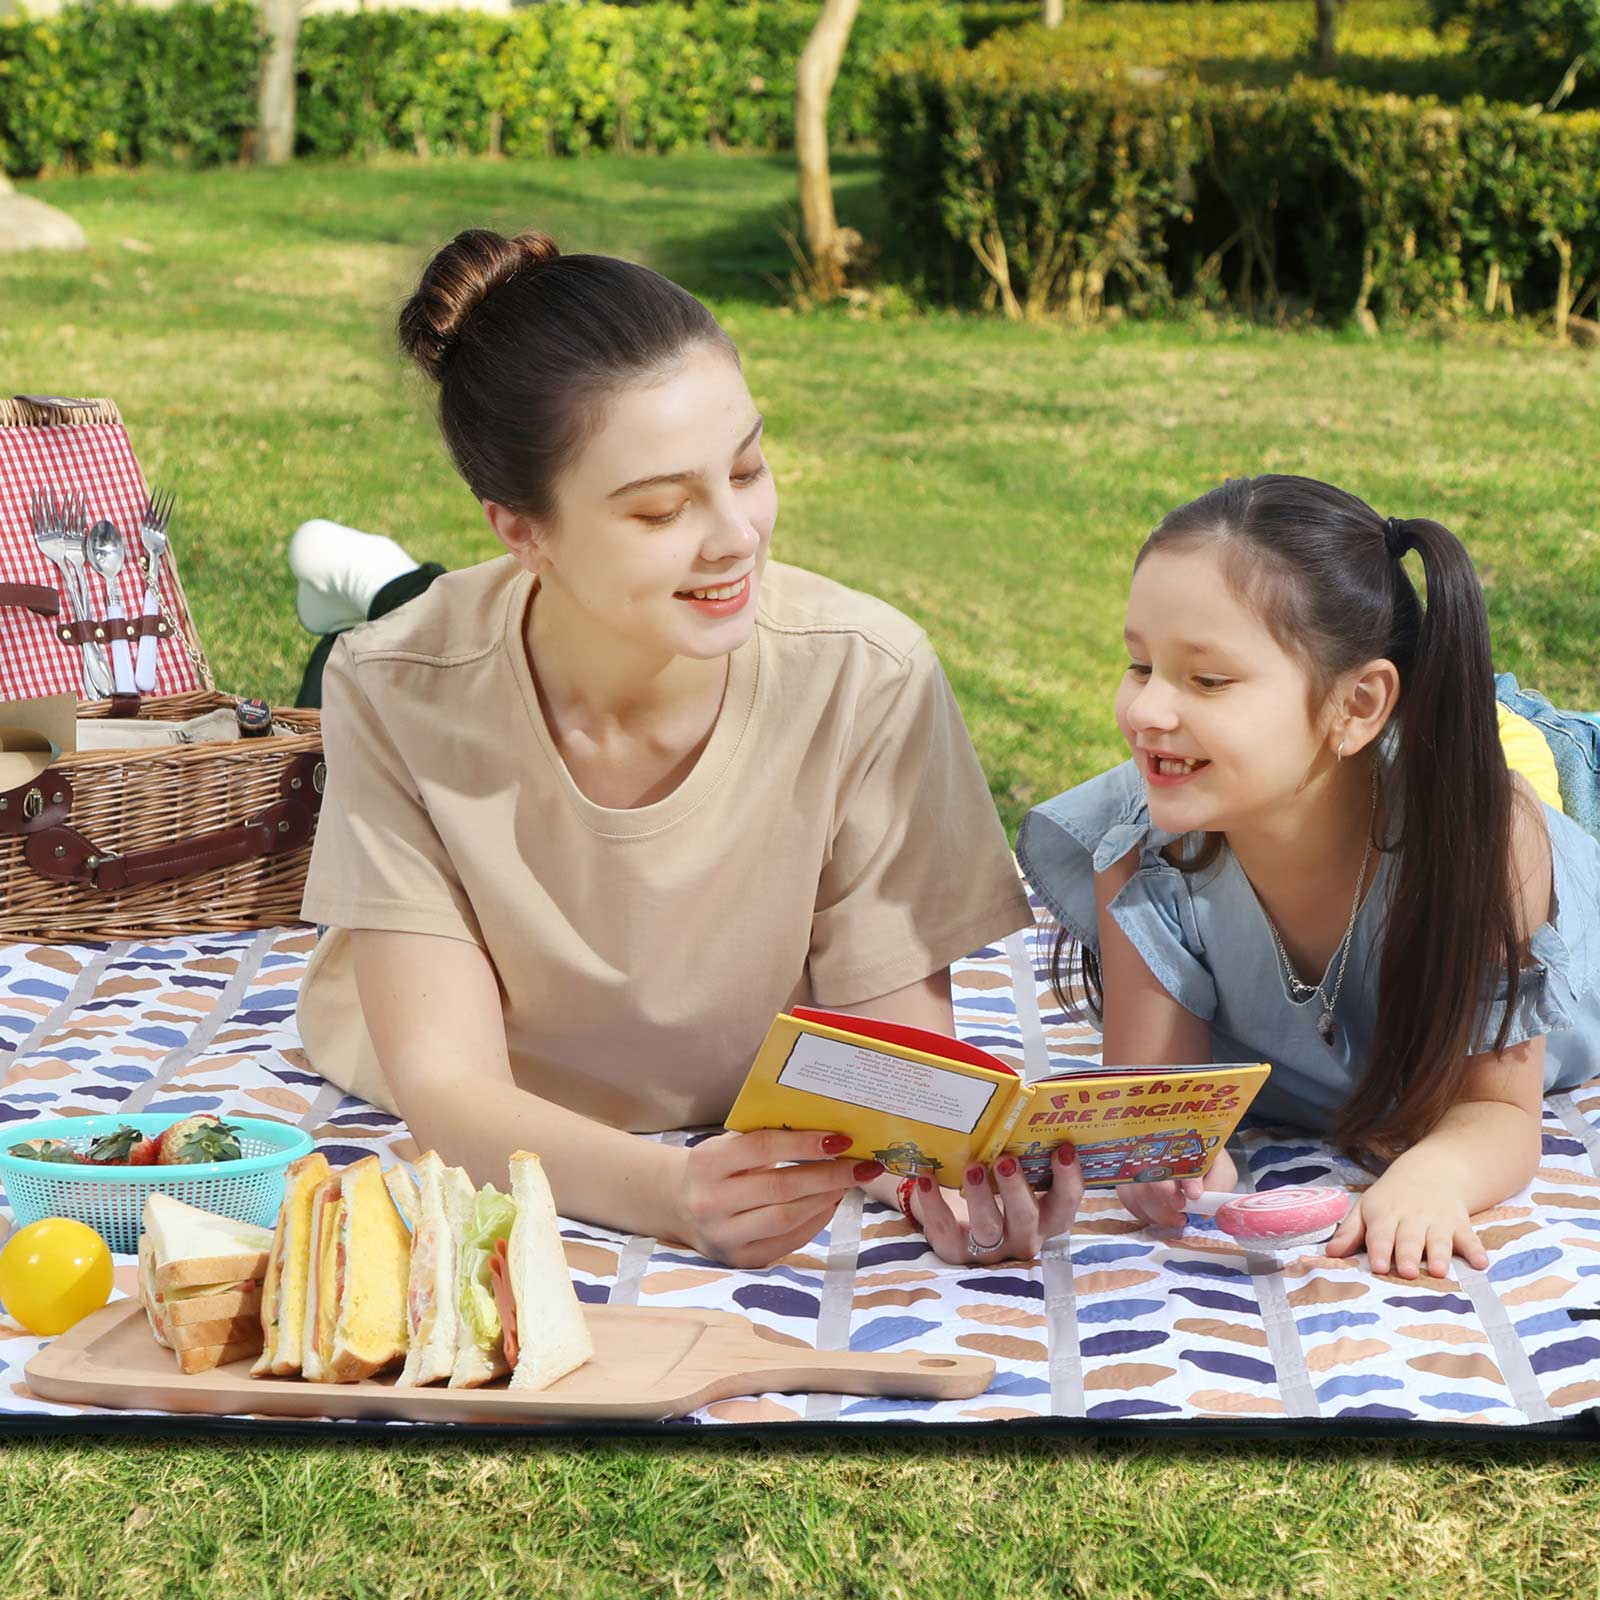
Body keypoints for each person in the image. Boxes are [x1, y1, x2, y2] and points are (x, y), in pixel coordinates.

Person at [293, 228, 1083, 1270]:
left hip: (742, 1108)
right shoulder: (390, 689)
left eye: (747, 467)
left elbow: (890, 1059)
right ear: (519, 528)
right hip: (487, 1107)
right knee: (394, 633)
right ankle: (370, 576)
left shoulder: (867, 672)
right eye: (663, 508)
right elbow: (449, 1093)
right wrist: (669, 1192)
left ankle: (374, 567)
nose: (736, 534)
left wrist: (938, 1175)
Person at [1016, 475, 1600, 1282]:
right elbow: (1164, 1111)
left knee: (1538, 762)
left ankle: (1533, 735)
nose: (1147, 711)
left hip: (1528, 841)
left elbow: (1499, 1109)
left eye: (1207, 680)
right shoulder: (1144, 850)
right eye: (1140, 665)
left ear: (1357, 702)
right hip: (1368, 765)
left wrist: (1434, 1176)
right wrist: (1177, 1168)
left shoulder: (1484, 842)